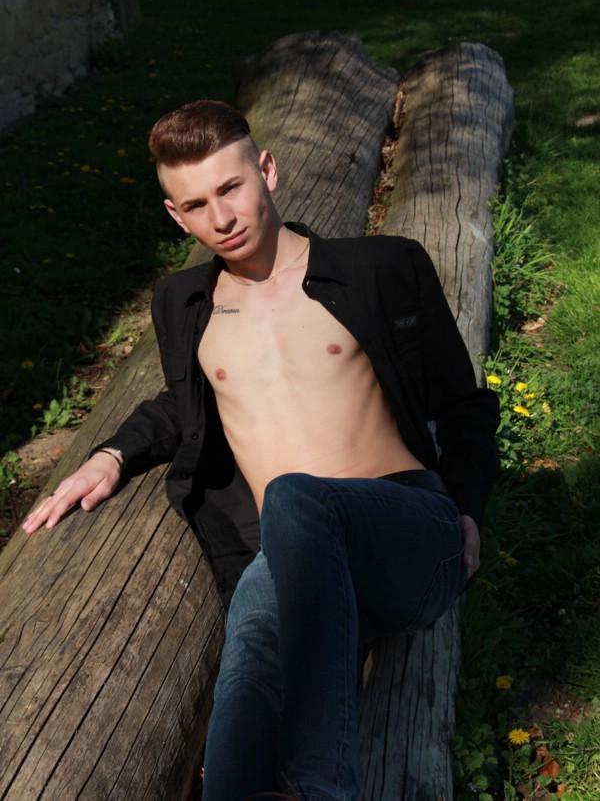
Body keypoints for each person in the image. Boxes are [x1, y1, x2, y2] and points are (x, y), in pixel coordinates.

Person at [21, 100, 500, 801]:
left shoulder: (380, 267)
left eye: (231, 187)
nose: (221, 217)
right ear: (175, 215)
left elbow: (463, 402)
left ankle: (320, 785)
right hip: (288, 558)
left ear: (266, 171)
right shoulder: (184, 303)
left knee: (297, 496)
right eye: (196, 204)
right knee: (245, 667)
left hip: (404, 530)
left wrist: (468, 507)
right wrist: (112, 455)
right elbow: (185, 401)